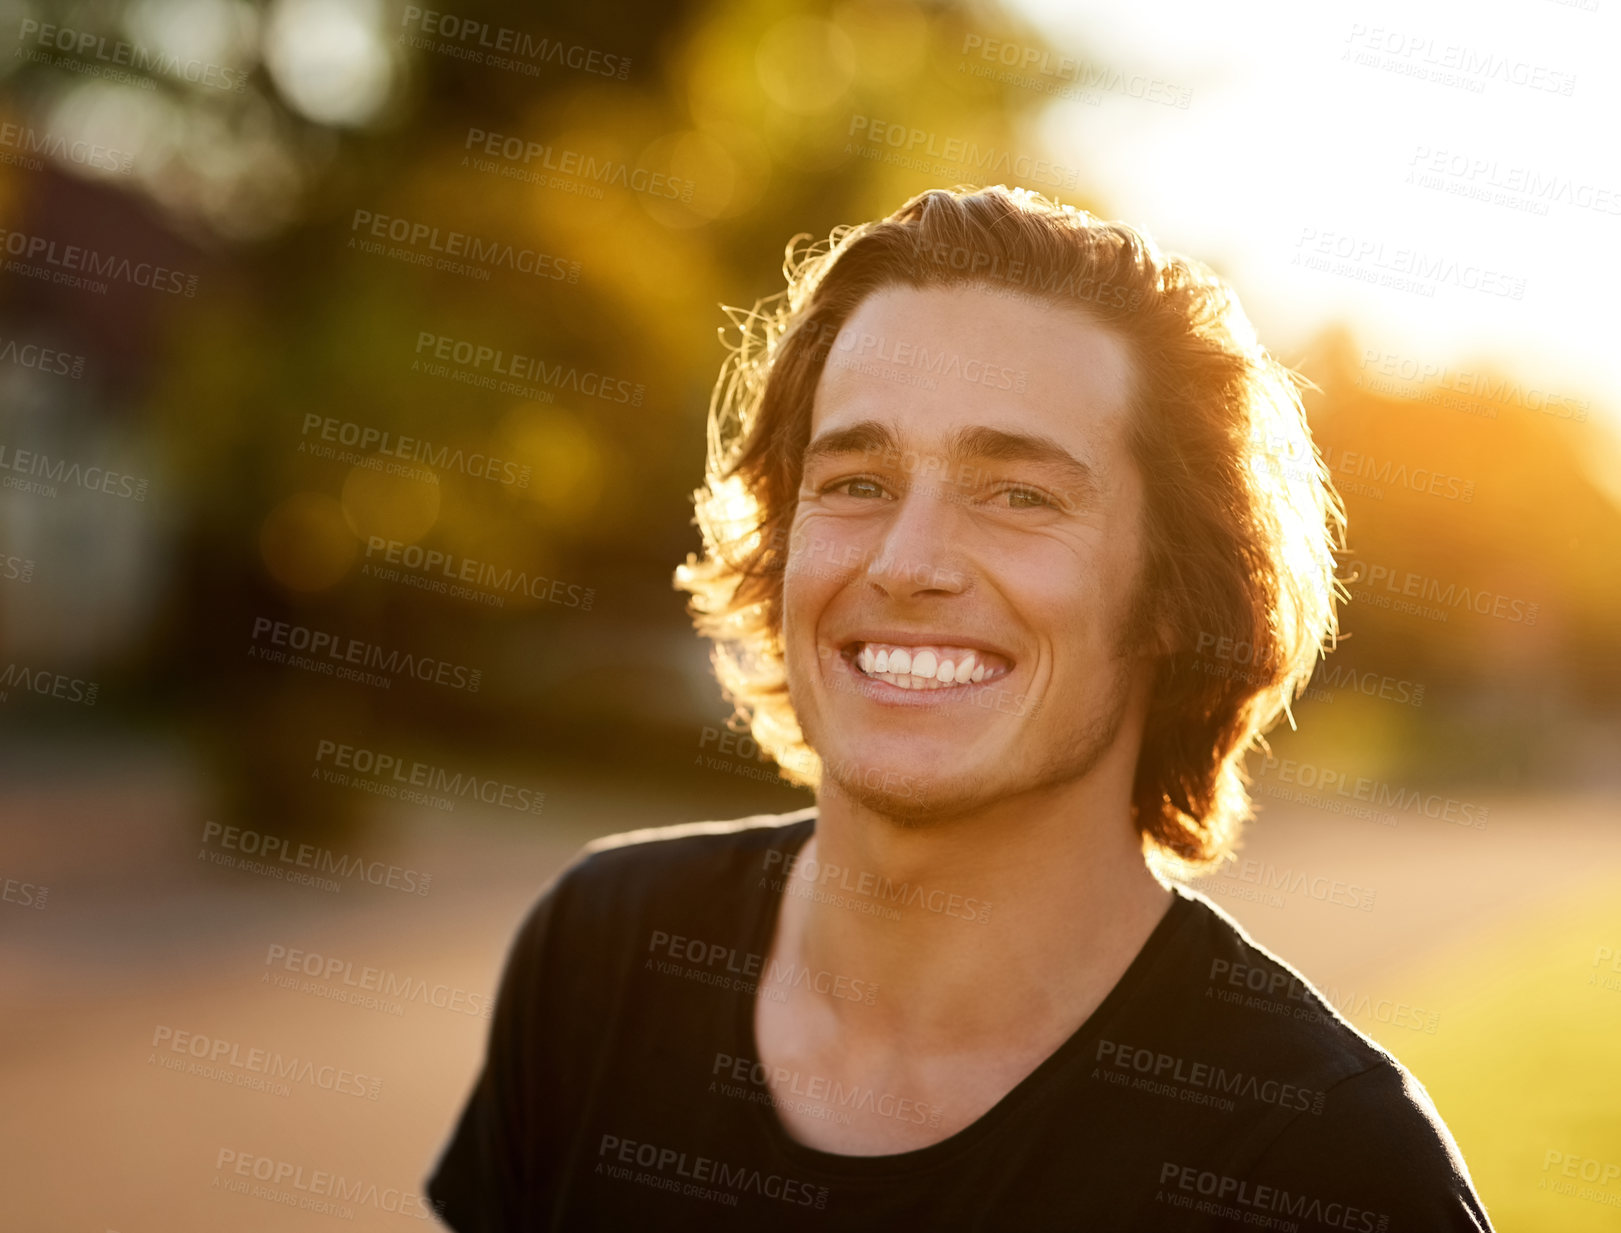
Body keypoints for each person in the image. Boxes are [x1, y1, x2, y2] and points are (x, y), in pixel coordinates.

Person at [425, 185, 1495, 1230]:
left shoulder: (1329, 1168)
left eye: (1018, 494)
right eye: (855, 482)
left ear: (1176, 593)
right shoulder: (604, 952)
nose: (907, 562)